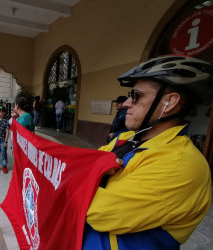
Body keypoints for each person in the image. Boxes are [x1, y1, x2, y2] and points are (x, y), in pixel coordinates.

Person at [83, 55, 212, 250]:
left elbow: (97, 213)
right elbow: (82, 165)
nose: (126, 103)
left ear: (170, 102)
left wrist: (90, 175)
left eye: (136, 95)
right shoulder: (126, 138)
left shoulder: (180, 163)